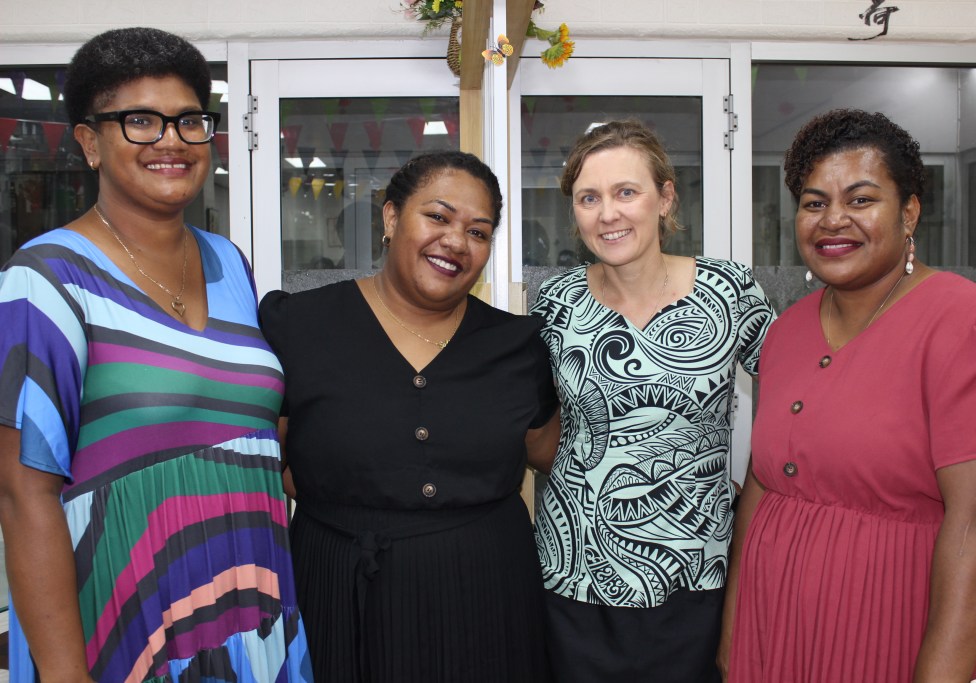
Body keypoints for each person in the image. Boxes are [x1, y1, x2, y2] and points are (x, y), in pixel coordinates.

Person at [0, 28, 312, 683]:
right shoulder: (45, 278)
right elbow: (23, 493)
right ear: (89, 141)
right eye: (139, 120)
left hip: (249, 609)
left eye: (188, 120)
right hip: (119, 621)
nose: (170, 140)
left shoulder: (228, 263)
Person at [720, 109, 976, 682]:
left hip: (905, 623)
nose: (833, 220)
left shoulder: (971, 327)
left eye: (860, 200)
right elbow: (765, 478)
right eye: (814, 203)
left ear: (909, 212)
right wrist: (735, 629)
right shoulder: (787, 332)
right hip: (781, 623)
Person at [259, 150, 561, 682]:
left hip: (487, 598)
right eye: (438, 216)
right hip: (337, 589)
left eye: (478, 231)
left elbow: (551, 454)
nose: (456, 242)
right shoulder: (299, 325)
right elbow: (262, 460)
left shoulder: (517, 345)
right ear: (392, 216)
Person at [529, 119, 775, 681]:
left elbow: (799, 400)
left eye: (626, 192)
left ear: (665, 198)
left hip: (698, 576)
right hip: (574, 576)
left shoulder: (730, 292)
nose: (607, 214)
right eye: (589, 198)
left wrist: (749, 485)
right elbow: (533, 425)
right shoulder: (556, 303)